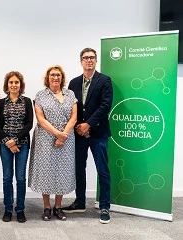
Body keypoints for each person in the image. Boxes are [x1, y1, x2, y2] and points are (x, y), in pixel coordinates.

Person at [62, 48, 113, 224]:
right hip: (78, 134)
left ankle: (105, 206)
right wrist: (77, 126)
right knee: (79, 169)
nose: (89, 60)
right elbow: (70, 108)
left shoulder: (105, 80)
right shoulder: (73, 83)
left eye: (92, 58)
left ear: (96, 60)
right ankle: (80, 202)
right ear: (81, 61)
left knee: (103, 170)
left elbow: (105, 106)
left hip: (98, 133)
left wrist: (88, 124)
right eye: (85, 58)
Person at [28, 65, 77, 221]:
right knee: (46, 171)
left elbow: (74, 117)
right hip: (45, 139)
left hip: (66, 139)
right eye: (52, 75)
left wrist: (63, 136)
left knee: (62, 171)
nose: (55, 77)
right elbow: (40, 119)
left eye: (58, 75)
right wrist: (57, 134)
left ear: (62, 78)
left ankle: (58, 206)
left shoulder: (70, 94)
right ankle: (46, 207)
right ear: (47, 78)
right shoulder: (40, 95)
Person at [0, 71, 33, 223]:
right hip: (5, 145)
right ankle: (8, 209)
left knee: (21, 178)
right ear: (7, 85)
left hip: (22, 144)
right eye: (11, 82)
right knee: (6, 178)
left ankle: (20, 209)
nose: (14, 85)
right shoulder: (1, 103)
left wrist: (16, 140)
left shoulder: (27, 101)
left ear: (20, 85)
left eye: (16, 82)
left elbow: (29, 124)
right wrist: (8, 142)